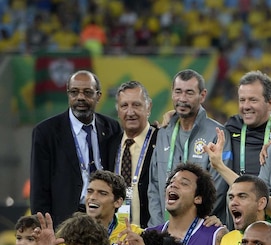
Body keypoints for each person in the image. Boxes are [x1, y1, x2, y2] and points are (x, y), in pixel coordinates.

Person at [30, 70, 121, 225]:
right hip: (66, 218)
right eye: (74, 92)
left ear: (98, 96)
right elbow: (39, 187)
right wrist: (43, 227)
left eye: (87, 92)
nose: (80, 97)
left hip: (105, 217)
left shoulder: (112, 127)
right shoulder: (46, 132)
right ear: (68, 94)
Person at [147, 69, 227, 225]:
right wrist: (159, 226)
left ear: (202, 95)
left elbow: (219, 189)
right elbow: (154, 186)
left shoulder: (217, 134)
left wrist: (190, 224)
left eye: (189, 93)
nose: (182, 99)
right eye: (178, 92)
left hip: (197, 228)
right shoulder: (163, 133)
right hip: (162, 228)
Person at [148, 162, 225, 245]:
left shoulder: (216, 236)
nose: (173, 185)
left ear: (198, 198)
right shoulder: (149, 234)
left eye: (184, 183)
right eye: (171, 182)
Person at [222, 71, 271, 179]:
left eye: (253, 100)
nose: (246, 106)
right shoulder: (232, 126)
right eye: (242, 100)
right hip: (238, 192)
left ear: (270, 103)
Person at [113, 80, 158, 227]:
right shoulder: (110, 145)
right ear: (118, 110)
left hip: (152, 235)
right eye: (124, 106)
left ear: (148, 107)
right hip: (116, 238)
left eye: (136, 105)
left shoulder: (162, 140)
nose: (130, 112)